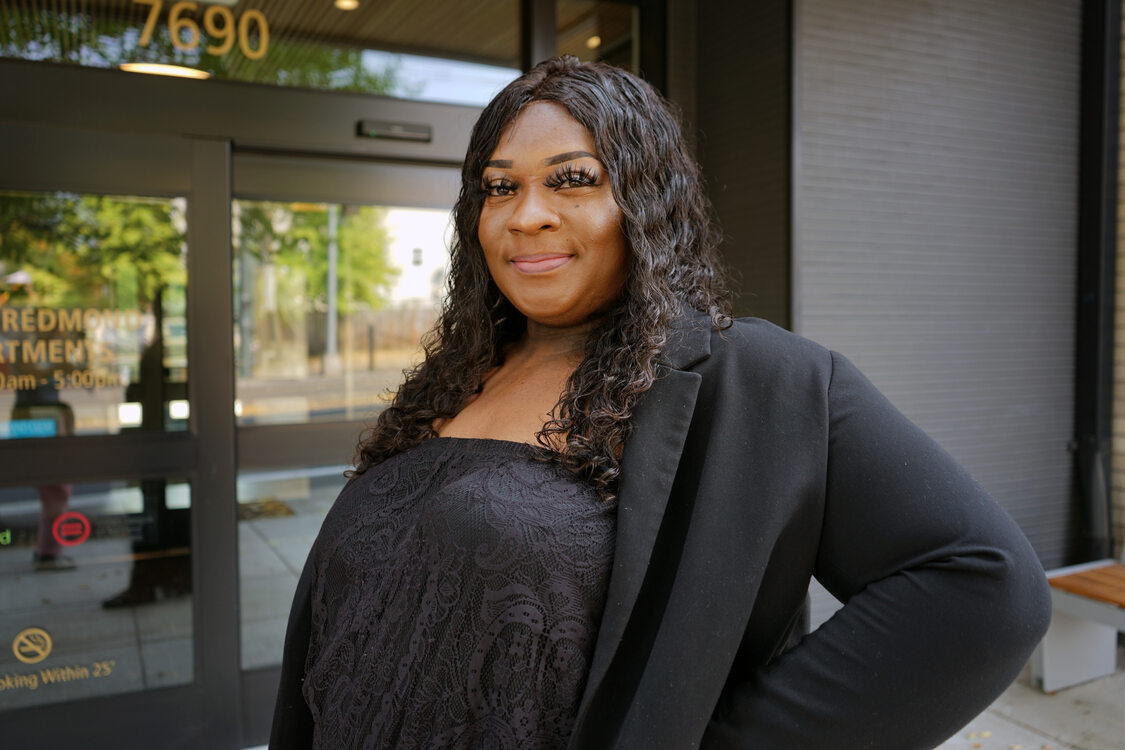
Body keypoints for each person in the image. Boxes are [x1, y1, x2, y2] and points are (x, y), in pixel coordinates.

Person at [271, 56, 1051, 750]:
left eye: (572, 179)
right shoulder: (458, 374)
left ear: (645, 201)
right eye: (499, 186)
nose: (525, 213)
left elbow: (984, 587)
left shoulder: (750, 379)